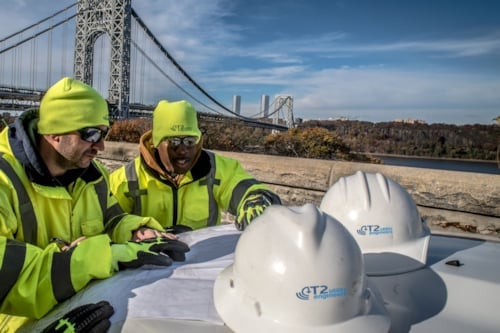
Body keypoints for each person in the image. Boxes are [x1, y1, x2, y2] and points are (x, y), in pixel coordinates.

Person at [0, 77, 189, 332]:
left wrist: (135, 231)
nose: (101, 145)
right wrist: (91, 259)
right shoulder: (5, 180)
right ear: (55, 132)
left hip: (84, 307)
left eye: (105, 132)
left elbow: (112, 219)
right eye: (92, 134)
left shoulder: (93, 175)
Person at [109, 99, 281, 232]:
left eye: (191, 140)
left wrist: (257, 199)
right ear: (155, 142)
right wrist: (136, 230)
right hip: (147, 271)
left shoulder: (215, 169)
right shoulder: (127, 179)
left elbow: (243, 187)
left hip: (201, 269)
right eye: (174, 141)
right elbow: (108, 222)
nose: (184, 150)